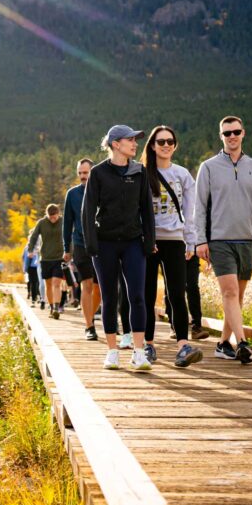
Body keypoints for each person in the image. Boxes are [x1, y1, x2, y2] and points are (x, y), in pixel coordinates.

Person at [195, 115, 252, 365]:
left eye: (236, 132)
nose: (232, 136)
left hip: (247, 240)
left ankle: (223, 343)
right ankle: (242, 343)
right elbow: (199, 207)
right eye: (227, 133)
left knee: (237, 297)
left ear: (243, 133)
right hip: (219, 241)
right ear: (221, 136)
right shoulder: (209, 167)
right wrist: (200, 240)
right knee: (230, 292)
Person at [81, 125, 155, 371]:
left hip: (134, 242)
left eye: (136, 140)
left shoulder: (140, 172)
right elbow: (88, 210)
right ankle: (112, 351)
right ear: (115, 144)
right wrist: (91, 245)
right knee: (110, 296)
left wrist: (149, 241)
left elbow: (146, 209)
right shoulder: (99, 173)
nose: (135, 144)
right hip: (105, 244)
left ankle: (138, 352)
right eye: (130, 140)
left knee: (137, 296)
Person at [139, 125, 202, 368]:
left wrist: (191, 241)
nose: (166, 145)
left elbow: (190, 210)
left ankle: (183, 346)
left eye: (170, 141)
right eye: (161, 141)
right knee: (146, 294)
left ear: (175, 145)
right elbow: (137, 210)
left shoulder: (183, 174)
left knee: (177, 293)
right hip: (148, 242)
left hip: (175, 240)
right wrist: (147, 237)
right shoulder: (142, 174)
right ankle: (148, 345)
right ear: (152, 145)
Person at [62, 158, 102, 340]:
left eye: (85, 173)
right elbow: (67, 223)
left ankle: (90, 316)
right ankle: (89, 326)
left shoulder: (102, 190)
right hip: (80, 245)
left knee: (99, 287)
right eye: (80, 173)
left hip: (102, 244)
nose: (82, 176)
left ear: (92, 172)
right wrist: (66, 248)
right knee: (86, 284)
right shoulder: (72, 194)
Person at [27, 204, 66, 319]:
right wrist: (30, 250)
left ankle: (56, 308)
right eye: (50, 217)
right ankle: (51, 307)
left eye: (55, 217)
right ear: (47, 215)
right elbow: (33, 237)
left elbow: (70, 236)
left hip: (60, 257)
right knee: (48, 285)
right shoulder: (41, 223)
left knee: (56, 283)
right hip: (45, 258)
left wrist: (70, 252)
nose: (53, 219)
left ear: (58, 213)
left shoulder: (64, 221)